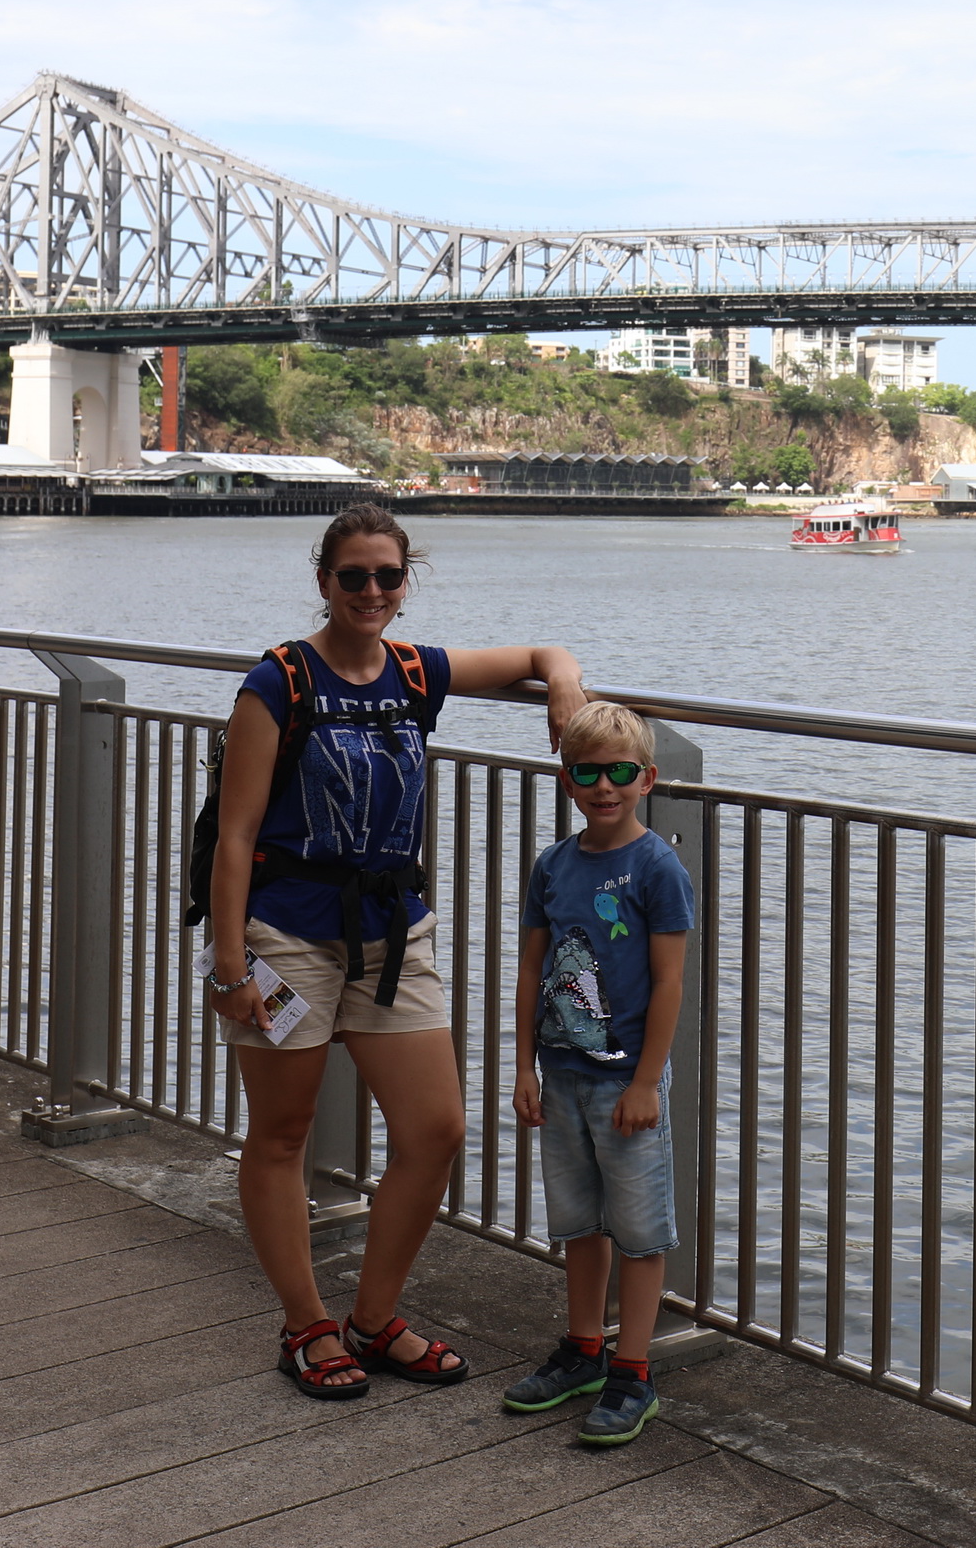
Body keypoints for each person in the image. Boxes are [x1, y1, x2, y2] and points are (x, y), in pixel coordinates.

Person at [205, 504, 587, 1402]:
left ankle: (373, 1320)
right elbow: (235, 836)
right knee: (283, 1133)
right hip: (287, 934)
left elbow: (543, 654)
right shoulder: (278, 682)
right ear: (325, 581)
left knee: (434, 1130)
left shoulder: (416, 672)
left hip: (393, 934)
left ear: (406, 582)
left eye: (388, 576)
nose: (371, 591)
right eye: (354, 577)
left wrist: (567, 689)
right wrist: (230, 967)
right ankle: (306, 1326)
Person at [498, 701, 695, 1447]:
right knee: (579, 1222)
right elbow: (531, 968)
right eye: (586, 773)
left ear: (647, 779)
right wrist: (523, 1066)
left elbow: (669, 982)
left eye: (619, 772)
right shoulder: (552, 865)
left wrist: (647, 1081)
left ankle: (633, 1370)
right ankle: (584, 1349)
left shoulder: (658, 868)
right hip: (561, 1075)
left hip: (624, 1083)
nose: (603, 786)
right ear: (567, 780)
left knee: (640, 1233)